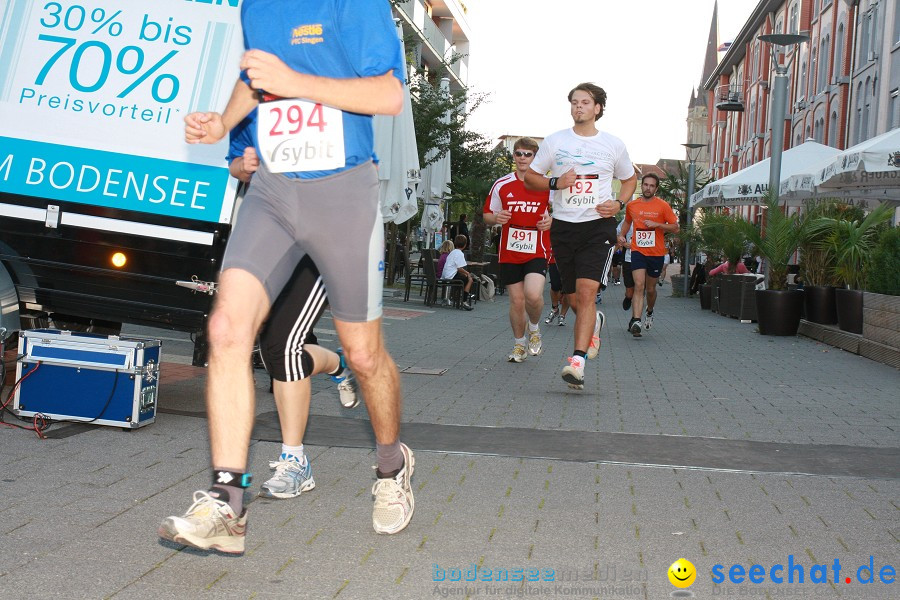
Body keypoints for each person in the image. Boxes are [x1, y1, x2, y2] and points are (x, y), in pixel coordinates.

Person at [159, 0, 414, 555]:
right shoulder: (258, 6)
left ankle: (392, 467)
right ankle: (228, 504)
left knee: (363, 353)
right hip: (273, 192)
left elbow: (389, 95)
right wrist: (223, 123)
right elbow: (255, 81)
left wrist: (294, 80)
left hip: (344, 190)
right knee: (226, 330)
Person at [227, 117, 359, 500]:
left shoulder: (332, 99)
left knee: (284, 345)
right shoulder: (254, 106)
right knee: (274, 351)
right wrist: (246, 166)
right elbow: (236, 165)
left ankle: (295, 461)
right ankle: (336, 364)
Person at [525, 82, 637, 390]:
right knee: (573, 298)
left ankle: (577, 361)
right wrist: (554, 182)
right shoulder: (555, 141)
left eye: (585, 102)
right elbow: (531, 178)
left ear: (598, 108)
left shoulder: (613, 145)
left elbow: (629, 179)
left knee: (587, 293)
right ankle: (594, 325)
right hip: (563, 226)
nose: (578, 107)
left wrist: (619, 202)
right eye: (574, 102)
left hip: (597, 226)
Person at [483, 137, 552, 362]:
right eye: (518, 154)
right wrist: (496, 218)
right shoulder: (502, 184)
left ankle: (534, 328)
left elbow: (562, 213)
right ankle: (519, 345)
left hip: (537, 247)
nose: (522, 158)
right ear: (513, 156)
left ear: (535, 157)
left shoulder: (546, 184)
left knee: (533, 295)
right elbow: (487, 215)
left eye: (527, 154)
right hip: (510, 249)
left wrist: (551, 221)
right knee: (517, 301)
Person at [618, 173, 678, 337]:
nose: (648, 188)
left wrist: (657, 224)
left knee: (650, 289)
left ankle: (649, 311)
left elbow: (675, 227)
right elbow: (628, 221)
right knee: (639, 285)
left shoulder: (663, 206)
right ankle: (636, 320)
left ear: (656, 189)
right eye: (645, 185)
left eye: (652, 186)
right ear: (641, 186)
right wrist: (622, 236)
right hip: (637, 250)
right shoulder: (633, 205)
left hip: (656, 253)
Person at [441, 235, 476, 310]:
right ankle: (464, 301)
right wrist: (467, 274)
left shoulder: (453, 252)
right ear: (465, 245)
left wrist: (465, 273)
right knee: (469, 280)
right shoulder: (460, 253)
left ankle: (458, 297)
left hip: (447, 274)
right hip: (451, 276)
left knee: (464, 278)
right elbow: (459, 268)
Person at [545, 247, 571, 327]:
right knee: (555, 286)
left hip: (571, 260)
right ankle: (554, 309)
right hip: (555, 259)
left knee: (568, 289)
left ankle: (562, 315)